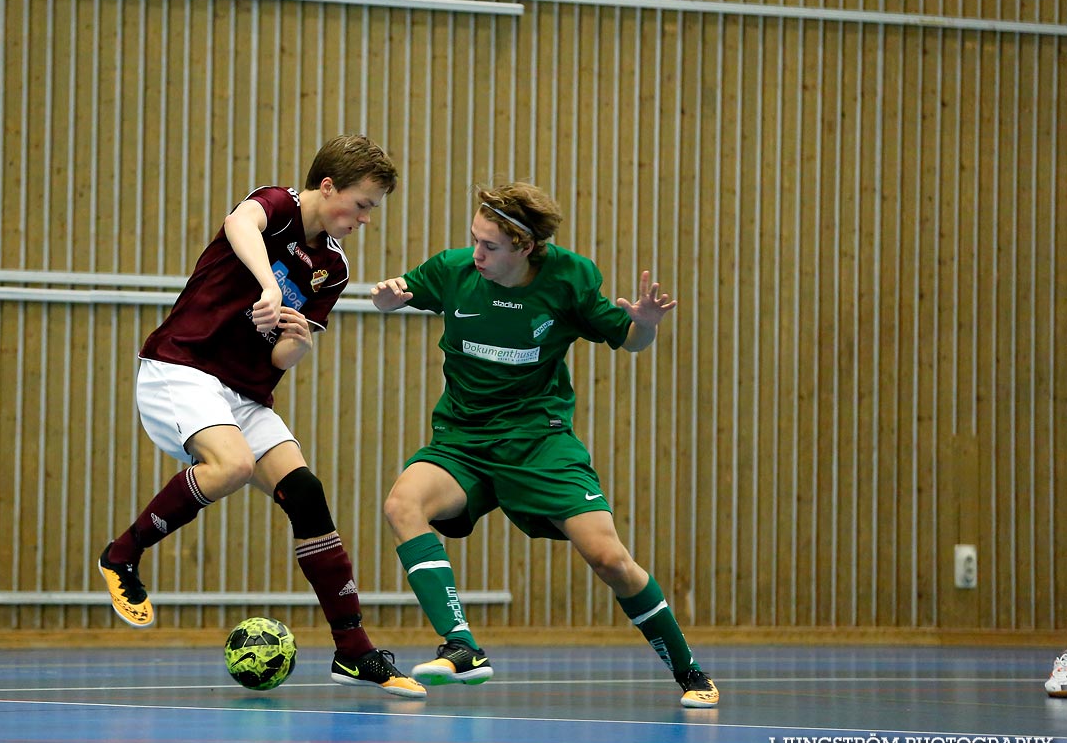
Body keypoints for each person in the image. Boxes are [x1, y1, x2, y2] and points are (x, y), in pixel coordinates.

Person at [96, 135, 424, 699]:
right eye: (363, 204)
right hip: (181, 367)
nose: (366, 220)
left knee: (306, 492)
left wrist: (298, 340)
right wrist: (271, 285)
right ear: (328, 188)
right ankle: (122, 554)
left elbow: (281, 359)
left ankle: (353, 650)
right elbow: (238, 226)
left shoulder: (333, 270)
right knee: (234, 465)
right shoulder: (273, 206)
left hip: (245, 393)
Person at [370, 181, 719, 708]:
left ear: (526, 247)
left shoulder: (569, 280)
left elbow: (631, 340)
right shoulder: (452, 271)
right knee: (402, 503)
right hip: (463, 440)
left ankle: (691, 672)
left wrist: (645, 325)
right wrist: (387, 300)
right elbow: (399, 294)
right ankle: (463, 646)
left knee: (610, 559)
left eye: (490, 245)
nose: (476, 253)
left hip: (538, 440)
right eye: (473, 239)